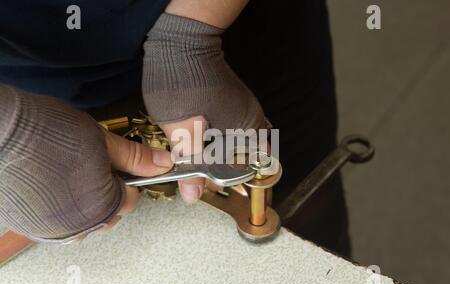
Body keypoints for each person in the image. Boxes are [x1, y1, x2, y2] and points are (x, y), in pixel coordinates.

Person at [0, 0, 350, 256]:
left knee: (309, 214)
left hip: (242, 32)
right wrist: (8, 136)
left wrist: (192, 29)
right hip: (33, 93)